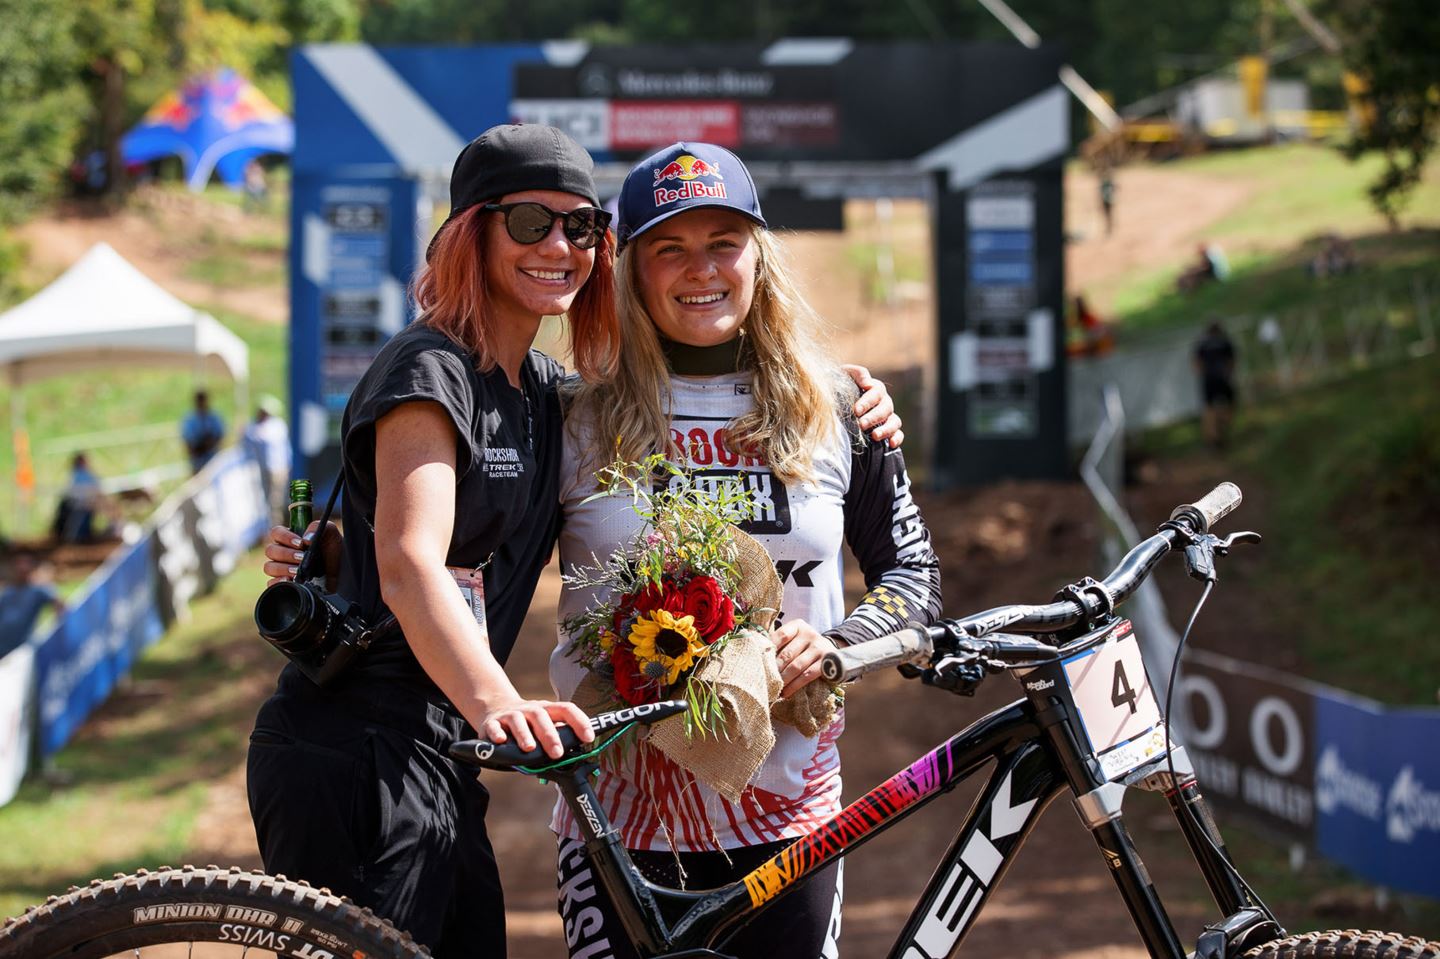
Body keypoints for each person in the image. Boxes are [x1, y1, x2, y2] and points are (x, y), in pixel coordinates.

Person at [252, 127, 904, 956]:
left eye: (583, 227)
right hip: (360, 747)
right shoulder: (432, 370)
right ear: (469, 232)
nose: (560, 246)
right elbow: (412, 563)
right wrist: (503, 707)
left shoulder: (543, 393)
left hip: (440, 752)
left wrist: (851, 394)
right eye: (530, 222)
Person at [549, 142, 943, 959]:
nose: (703, 269)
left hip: (792, 817)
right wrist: (328, 554)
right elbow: (467, 549)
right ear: (631, 268)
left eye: (723, 241)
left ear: (757, 256)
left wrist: (837, 647)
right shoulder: (570, 416)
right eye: (670, 247)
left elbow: (914, 575)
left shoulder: (836, 408)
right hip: (617, 817)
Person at [0, 549, 64, 659]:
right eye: (19, 564)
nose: (22, 568)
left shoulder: (38, 590)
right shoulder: (7, 592)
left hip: (22, 650)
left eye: (26, 564)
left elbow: (60, 606)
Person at [242, 395, 292, 525]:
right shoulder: (256, 427)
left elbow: (259, 438)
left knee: (276, 500)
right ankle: (268, 526)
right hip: (264, 469)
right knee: (265, 498)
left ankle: (275, 527)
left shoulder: (276, 426)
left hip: (278, 469)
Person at [1193, 321, 1237, 449]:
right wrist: (1228, 374)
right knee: (1230, 404)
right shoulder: (1225, 341)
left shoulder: (1201, 343)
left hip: (1208, 380)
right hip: (1223, 378)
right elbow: (1232, 361)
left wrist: (1203, 375)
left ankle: (1212, 437)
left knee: (1209, 409)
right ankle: (1220, 427)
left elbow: (1196, 364)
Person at [51, 452, 104, 544]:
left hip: (88, 502)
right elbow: (73, 492)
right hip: (79, 504)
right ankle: (75, 537)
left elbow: (97, 487)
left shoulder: (87, 474)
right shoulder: (76, 475)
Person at [181, 390, 226, 473]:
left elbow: (220, 435)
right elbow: (188, 440)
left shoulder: (214, 417)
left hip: (213, 458)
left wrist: (210, 443)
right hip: (197, 459)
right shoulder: (190, 419)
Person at [1098, 169, 1116, 236]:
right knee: (1107, 215)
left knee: (1108, 215)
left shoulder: (1108, 183)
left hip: (1109, 201)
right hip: (1106, 201)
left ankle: (1109, 227)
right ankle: (1109, 227)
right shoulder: (1105, 183)